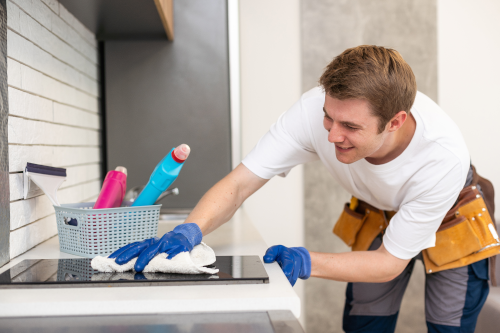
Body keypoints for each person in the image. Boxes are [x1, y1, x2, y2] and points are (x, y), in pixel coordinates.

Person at [110, 45, 498, 332]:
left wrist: (308, 260)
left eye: (350, 128)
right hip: (381, 211)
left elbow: (388, 263)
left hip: (453, 215)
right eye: (329, 118)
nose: (332, 135)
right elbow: (240, 184)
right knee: (365, 324)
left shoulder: (442, 157)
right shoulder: (314, 113)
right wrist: (189, 230)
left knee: (448, 326)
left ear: (395, 122)